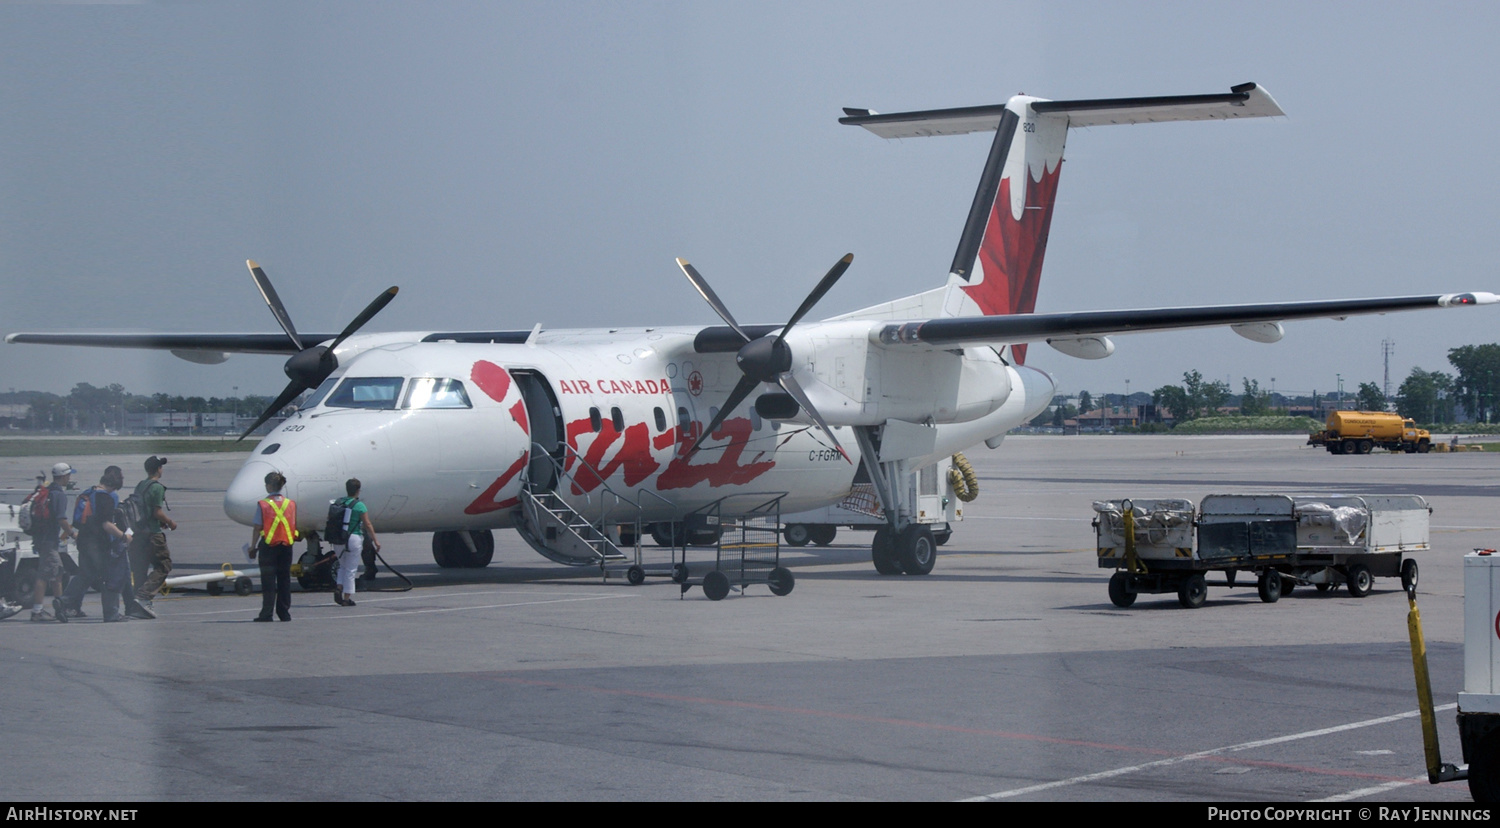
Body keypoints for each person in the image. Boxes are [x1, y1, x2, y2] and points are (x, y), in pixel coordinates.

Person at [56, 466, 133, 622]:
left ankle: (63, 601)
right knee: (110, 577)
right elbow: (106, 524)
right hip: (98, 545)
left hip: (83, 541)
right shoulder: (106, 498)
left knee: (85, 575)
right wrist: (124, 536)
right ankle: (111, 613)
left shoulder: (89, 492)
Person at [30, 462, 78, 623]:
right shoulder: (58, 494)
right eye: (69, 475)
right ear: (64, 476)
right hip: (48, 540)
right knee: (50, 574)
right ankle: (42, 611)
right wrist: (73, 534)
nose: (70, 478)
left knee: (54, 573)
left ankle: (58, 607)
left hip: (42, 539)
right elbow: (61, 519)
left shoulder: (48, 490)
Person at [129, 456, 177, 615]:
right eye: (161, 467)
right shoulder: (157, 488)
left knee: (140, 569)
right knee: (164, 565)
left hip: (139, 533)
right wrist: (169, 522)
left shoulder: (140, 485)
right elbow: (157, 512)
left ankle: (136, 605)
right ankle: (144, 596)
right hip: (152, 534)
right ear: (158, 469)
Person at [252, 471, 297, 622]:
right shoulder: (290, 503)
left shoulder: (264, 504)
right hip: (286, 545)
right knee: (284, 579)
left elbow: (258, 527)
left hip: (269, 545)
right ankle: (284, 612)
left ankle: (266, 613)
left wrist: (252, 546)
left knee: (268, 580)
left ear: (270, 486)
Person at [333, 478, 380, 607]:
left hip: (338, 539)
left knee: (342, 566)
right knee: (351, 569)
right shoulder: (359, 505)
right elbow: (368, 524)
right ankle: (347, 598)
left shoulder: (338, 502)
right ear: (358, 491)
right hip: (353, 538)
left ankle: (339, 586)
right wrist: (375, 540)